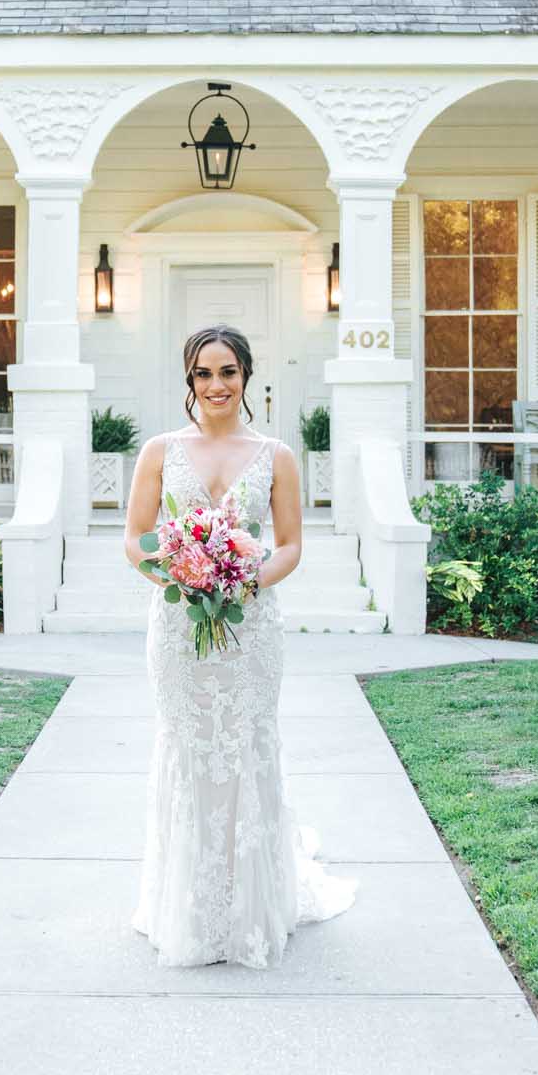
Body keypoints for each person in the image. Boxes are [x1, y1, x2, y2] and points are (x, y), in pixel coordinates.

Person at [124, 324, 356, 966]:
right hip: (178, 632)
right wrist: (183, 576)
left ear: (246, 377)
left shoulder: (276, 455)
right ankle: (189, 909)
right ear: (189, 381)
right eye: (203, 373)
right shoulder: (159, 451)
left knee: (246, 745)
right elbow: (137, 540)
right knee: (190, 750)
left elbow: (289, 546)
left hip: (250, 629)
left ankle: (251, 908)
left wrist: (239, 577)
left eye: (227, 372)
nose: (216, 385)